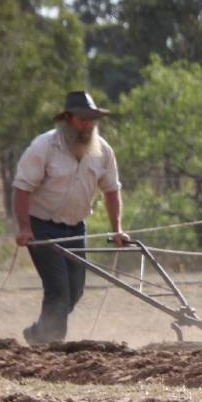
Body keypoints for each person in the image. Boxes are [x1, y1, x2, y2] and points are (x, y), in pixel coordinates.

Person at [13, 90, 129, 345]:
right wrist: (24, 228)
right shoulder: (44, 147)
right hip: (42, 226)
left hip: (76, 228)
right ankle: (51, 345)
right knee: (58, 290)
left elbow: (111, 190)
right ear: (67, 119)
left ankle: (38, 333)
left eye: (92, 119)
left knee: (74, 290)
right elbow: (22, 187)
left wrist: (117, 229)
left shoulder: (103, 151)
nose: (88, 125)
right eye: (82, 119)